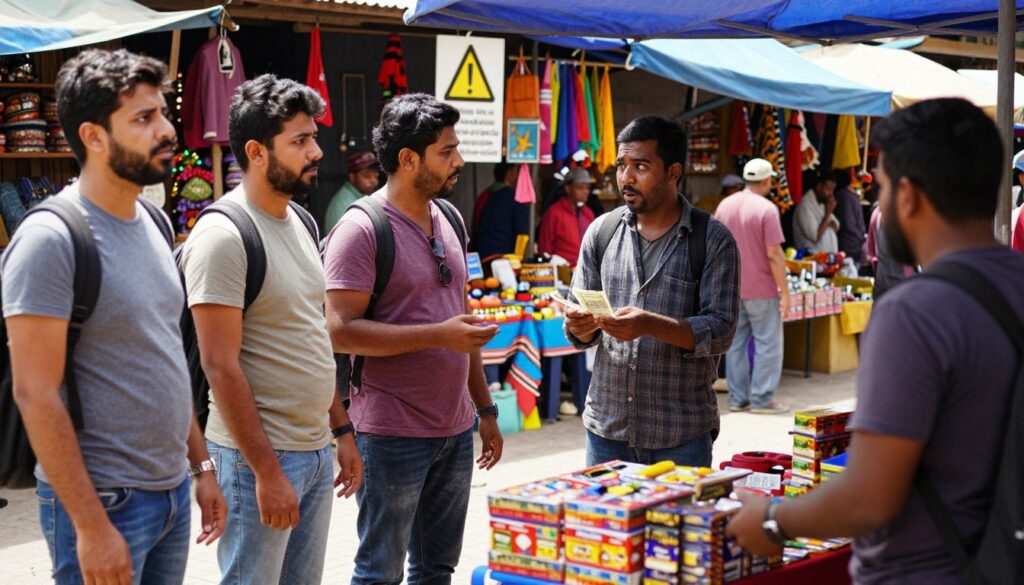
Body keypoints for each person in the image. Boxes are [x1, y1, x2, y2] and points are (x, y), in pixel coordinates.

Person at [728, 98, 1024, 585]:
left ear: (907, 196)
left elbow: (868, 497)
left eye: (882, 189)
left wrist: (772, 520)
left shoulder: (914, 311)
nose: (879, 204)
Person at [4, 49, 225, 584]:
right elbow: (36, 392)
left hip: (170, 490)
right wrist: (90, 525)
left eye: (162, 113)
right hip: (104, 498)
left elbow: (165, 354)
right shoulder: (51, 241)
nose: (166, 130)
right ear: (94, 137)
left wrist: (199, 466)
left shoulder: (152, 219)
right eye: (143, 119)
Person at [180, 74, 361, 585]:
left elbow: (310, 336)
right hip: (254, 459)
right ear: (257, 152)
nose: (316, 151)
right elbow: (219, 363)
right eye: (300, 141)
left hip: (313, 450)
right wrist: (266, 472)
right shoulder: (222, 236)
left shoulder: (302, 222)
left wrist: (341, 430)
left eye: (313, 137)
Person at [324, 93, 504, 585]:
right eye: (446, 151)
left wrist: (484, 411)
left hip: (455, 429)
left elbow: (460, 323)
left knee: (436, 569)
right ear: (408, 160)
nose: (460, 161)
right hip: (391, 433)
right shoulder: (361, 229)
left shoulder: (450, 216)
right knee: (379, 572)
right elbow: (338, 331)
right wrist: (439, 335)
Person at [563, 115, 740, 467]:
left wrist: (649, 325)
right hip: (606, 432)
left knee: (677, 525)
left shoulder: (712, 239)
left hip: (679, 435)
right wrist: (579, 327)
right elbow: (577, 320)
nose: (626, 178)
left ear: (673, 172)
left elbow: (721, 331)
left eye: (640, 166)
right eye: (621, 166)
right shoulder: (602, 232)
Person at [715, 158, 790, 415]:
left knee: (735, 344)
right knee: (768, 343)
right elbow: (774, 254)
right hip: (762, 289)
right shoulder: (767, 209)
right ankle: (762, 398)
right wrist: (785, 292)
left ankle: (738, 399)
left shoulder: (725, 205)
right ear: (767, 180)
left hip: (731, 288)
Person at [538, 167, 597, 266]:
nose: (585, 192)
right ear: (568, 188)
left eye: (587, 188)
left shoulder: (588, 213)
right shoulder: (554, 213)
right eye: (580, 188)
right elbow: (545, 250)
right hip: (562, 273)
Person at [472, 161, 530, 258]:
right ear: (510, 174)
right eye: (518, 170)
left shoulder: (484, 195)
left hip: (482, 256)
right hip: (505, 259)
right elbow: (522, 235)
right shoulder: (516, 197)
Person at [324, 150, 380, 233]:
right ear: (352, 177)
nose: (374, 181)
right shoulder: (344, 204)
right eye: (367, 176)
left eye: (376, 176)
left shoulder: (361, 198)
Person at [793, 170, 839, 252]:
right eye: (828, 189)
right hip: (809, 256)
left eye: (833, 190)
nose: (831, 194)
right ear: (818, 186)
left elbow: (836, 225)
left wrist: (824, 224)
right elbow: (815, 236)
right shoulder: (805, 205)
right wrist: (827, 215)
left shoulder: (822, 203)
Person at [833, 170, 867, 264]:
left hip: (849, 244)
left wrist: (860, 237)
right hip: (855, 242)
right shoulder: (849, 195)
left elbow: (848, 224)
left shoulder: (843, 196)